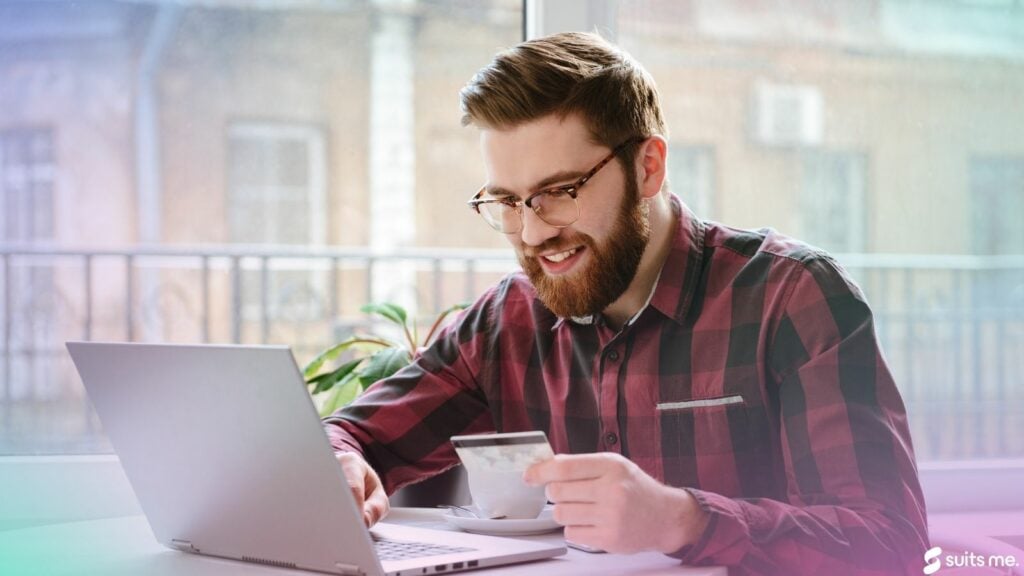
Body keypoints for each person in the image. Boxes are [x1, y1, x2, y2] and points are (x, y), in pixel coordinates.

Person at [323, 32, 928, 575]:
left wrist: (682, 520)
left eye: (558, 193)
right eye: (507, 201)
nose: (532, 235)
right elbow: (351, 435)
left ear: (648, 167)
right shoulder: (509, 318)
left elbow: (889, 543)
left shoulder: (792, 298)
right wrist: (339, 464)